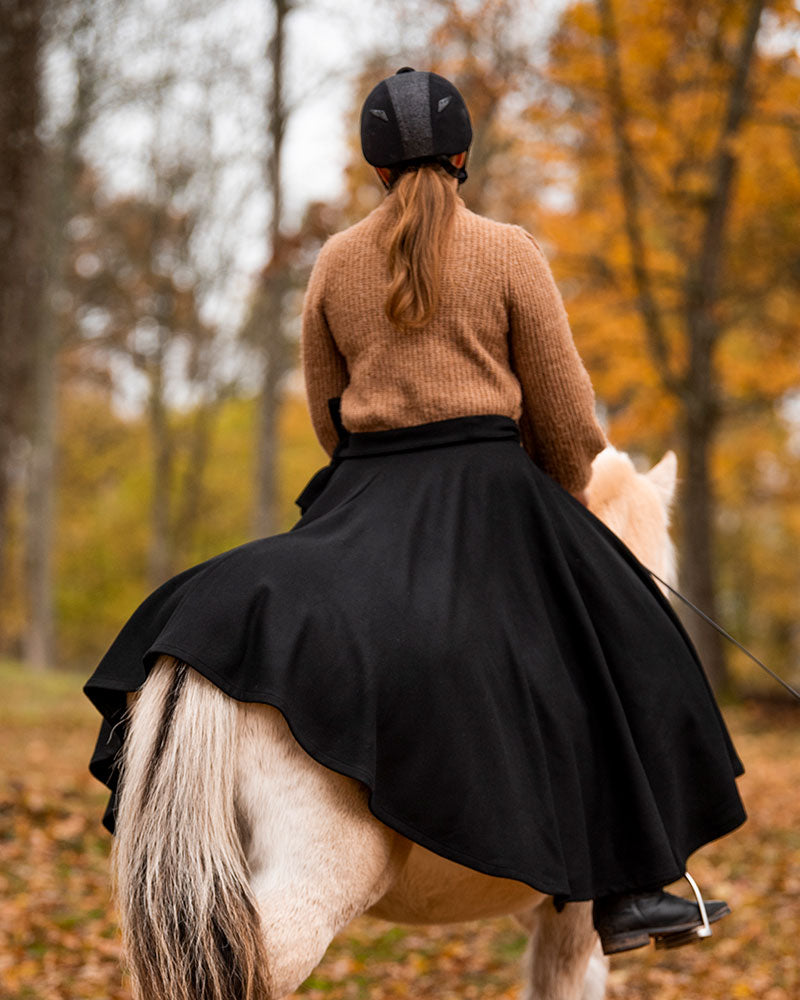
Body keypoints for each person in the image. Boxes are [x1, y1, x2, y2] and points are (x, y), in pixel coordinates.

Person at [85, 67, 746, 958]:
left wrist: (370, 479)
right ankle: (633, 890)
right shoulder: (509, 250)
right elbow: (567, 420)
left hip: (366, 487)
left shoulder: (334, 262)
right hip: (492, 489)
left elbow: (325, 411)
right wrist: (555, 496)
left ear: (375, 168)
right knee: (626, 631)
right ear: (464, 154)